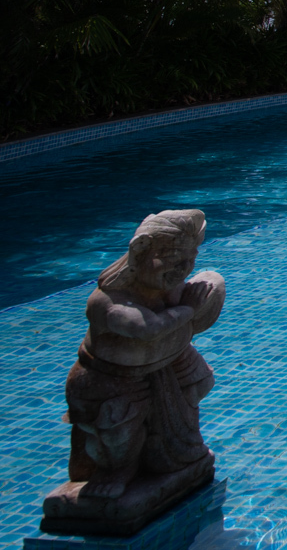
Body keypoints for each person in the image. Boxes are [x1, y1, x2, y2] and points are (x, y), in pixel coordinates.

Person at [46, 209, 224, 534]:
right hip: (107, 380)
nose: (181, 269)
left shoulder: (169, 288)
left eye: (188, 259)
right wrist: (188, 309)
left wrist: (205, 295)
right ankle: (116, 471)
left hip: (163, 363)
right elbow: (148, 329)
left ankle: (172, 454)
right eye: (171, 257)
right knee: (117, 428)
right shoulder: (106, 301)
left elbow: (202, 302)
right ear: (140, 252)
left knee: (197, 382)